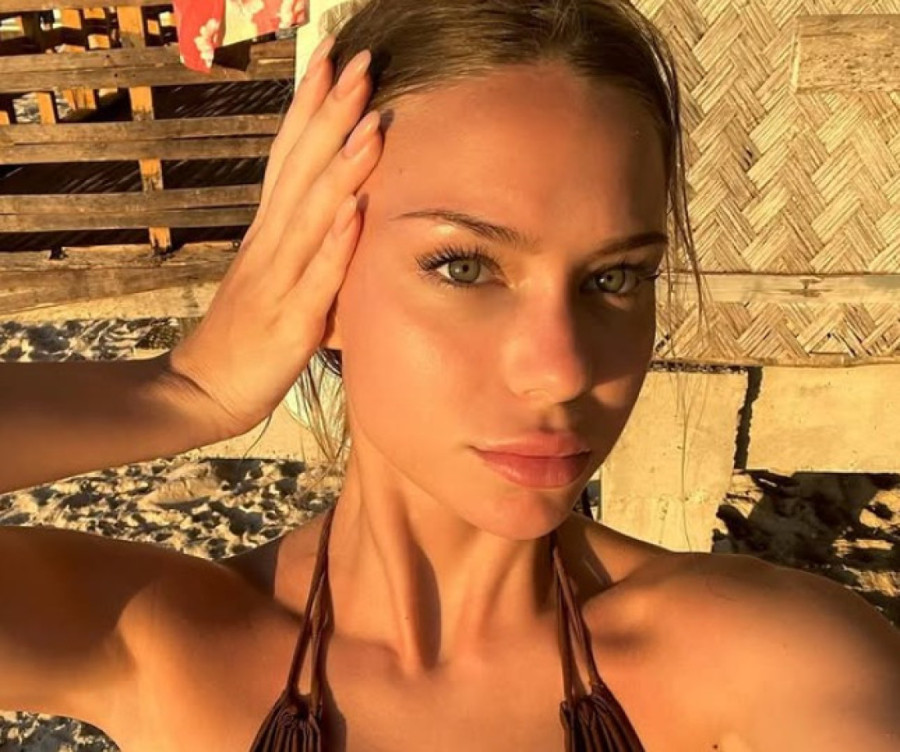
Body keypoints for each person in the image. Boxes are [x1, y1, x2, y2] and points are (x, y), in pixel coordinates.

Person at [1, 1, 899, 750]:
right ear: (322, 281)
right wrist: (184, 390)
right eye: (464, 267)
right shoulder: (162, 643)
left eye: (614, 278)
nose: (561, 371)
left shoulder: (773, 665)